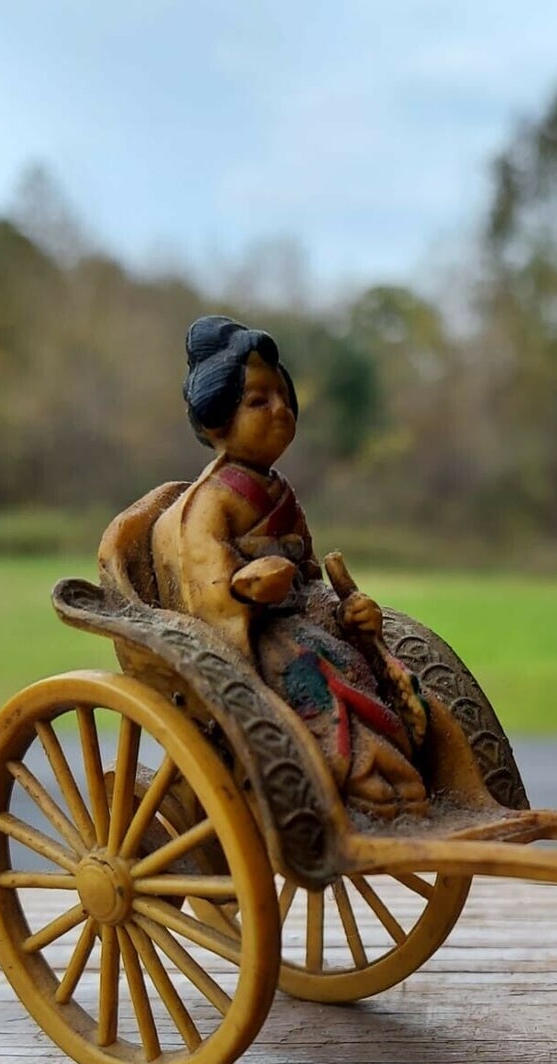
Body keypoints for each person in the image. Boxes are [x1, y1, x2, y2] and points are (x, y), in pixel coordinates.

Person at [151, 316, 430, 822]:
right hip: (254, 641)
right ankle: (357, 774)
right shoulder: (209, 505)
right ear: (218, 421)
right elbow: (209, 596)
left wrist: (348, 611)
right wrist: (251, 586)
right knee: (314, 675)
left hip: (303, 623)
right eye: (258, 401)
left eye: (283, 397)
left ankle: (396, 763)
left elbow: (310, 576)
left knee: (358, 662)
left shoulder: (281, 494)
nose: (280, 410)